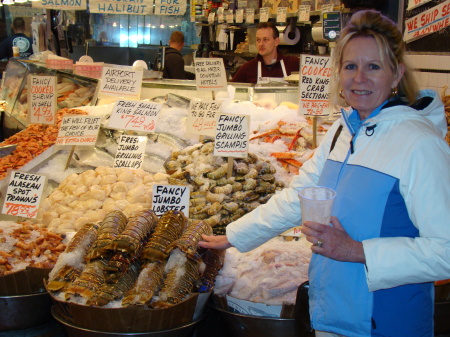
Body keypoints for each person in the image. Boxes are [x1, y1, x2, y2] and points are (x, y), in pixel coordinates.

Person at [200, 9, 450, 337]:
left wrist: (357, 250)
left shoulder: (420, 144)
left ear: (396, 73)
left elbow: (444, 251)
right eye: (350, 66)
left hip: (386, 323)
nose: (359, 78)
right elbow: (298, 197)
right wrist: (233, 236)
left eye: (373, 66)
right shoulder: (341, 132)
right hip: (332, 317)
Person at [230, 21, 299, 84]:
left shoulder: (293, 63)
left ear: (276, 41)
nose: (261, 44)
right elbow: (230, 90)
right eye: (258, 40)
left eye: (265, 39)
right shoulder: (248, 68)